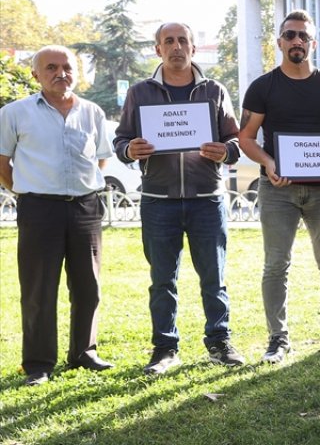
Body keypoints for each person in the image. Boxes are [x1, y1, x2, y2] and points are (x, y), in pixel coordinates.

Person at [114, 23, 245, 375]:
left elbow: (236, 141)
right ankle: (164, 349)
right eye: (168, 41)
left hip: (207, 199)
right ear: (158, 49)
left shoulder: (214, 90)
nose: (176, 47)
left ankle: (219, 342)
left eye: (183, 40)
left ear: (193, 48)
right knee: (162, 280)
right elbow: (121, 140)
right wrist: (130, 149)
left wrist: (225, 152)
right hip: (159, 200)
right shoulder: (141, 93)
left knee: (214, 276)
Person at [239, 10, 320, 363]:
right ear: (279, 42)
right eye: (290, 35)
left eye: (303, 37)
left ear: (313, 43)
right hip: (278, 189)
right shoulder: (263, 87)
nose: (296, 42)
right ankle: (278, 339)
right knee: (276, 265)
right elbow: (246, 137)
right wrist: (269, 162)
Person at [0, 46, 115, 386]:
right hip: (39, 208)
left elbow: (102, 159)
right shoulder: (14, 113)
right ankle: (38, 364)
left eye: (67, 67)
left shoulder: (92, 112)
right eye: (51, 67)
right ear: (36, 75)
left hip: (85, 207)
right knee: (39, 287)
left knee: (88, 286)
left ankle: (84, 352)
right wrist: (25, 189)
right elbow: (1, 162)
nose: (60, 73)